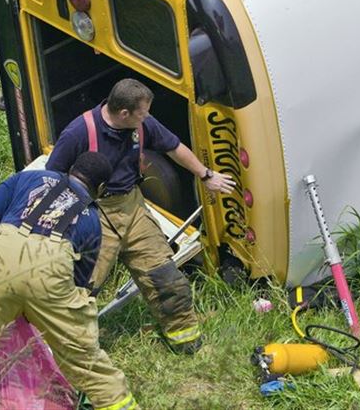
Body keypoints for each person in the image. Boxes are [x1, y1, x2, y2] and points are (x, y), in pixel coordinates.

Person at [0, 152, 137, 410]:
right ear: (100, 189)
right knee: (84, 359)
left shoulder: (29, 178)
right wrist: (39, 309)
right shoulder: (92, 219)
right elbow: (78, 284)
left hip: (3, 252)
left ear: (70, 169)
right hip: (52, 267)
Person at [47, 78, 235, 354]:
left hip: (133, 207)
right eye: (142, 113)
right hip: (94, 212)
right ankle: (60, 353)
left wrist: (207, 176)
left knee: (166, 278)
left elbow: (174, 147)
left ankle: (186, 343)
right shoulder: (78, 132)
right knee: (79, 291)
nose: (147, 118)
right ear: (124, 113)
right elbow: (52, 177)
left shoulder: (142, 124)